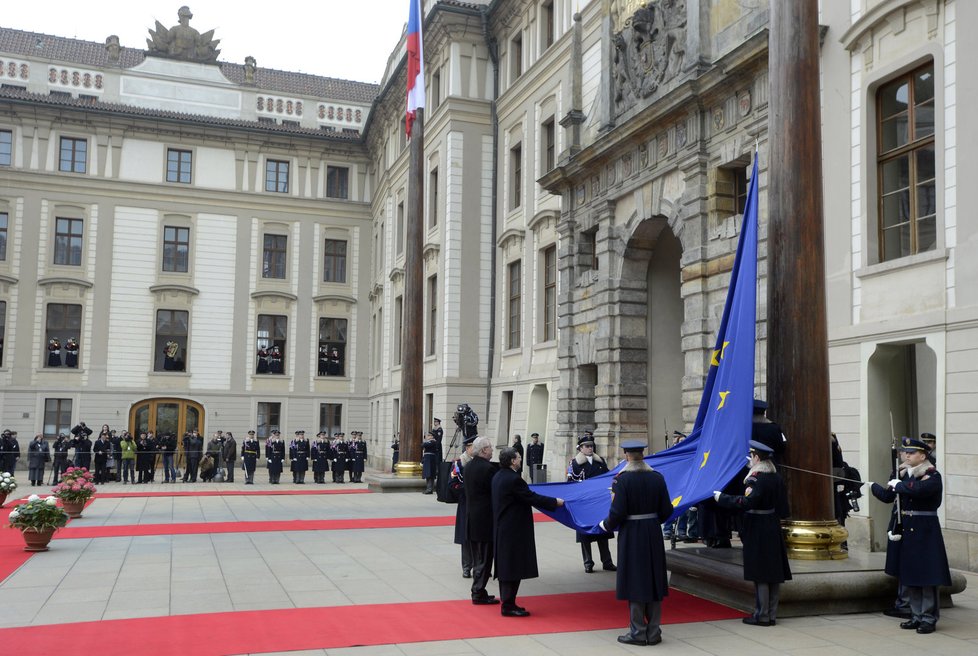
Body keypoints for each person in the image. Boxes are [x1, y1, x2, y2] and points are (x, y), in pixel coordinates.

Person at [871, 437, 951, 634]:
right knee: (911, 573)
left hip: (925, 529)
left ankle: (928, 618)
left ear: (922, 456)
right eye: (905, 452)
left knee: (927, 575)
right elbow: (889, 496)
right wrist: (874, 486)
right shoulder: (904, 476)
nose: (906, 455)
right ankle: (915, 615)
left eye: (911, 453)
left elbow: (922, 491)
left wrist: (899, 484)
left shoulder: (932, 475)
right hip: (907, 528)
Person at [598, 439, 673, 646]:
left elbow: (617, 512)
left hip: (632, 534)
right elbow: (667, 510)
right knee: (654, 579)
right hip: (652, 532)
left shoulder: (622, 480)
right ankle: (654, 631)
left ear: (626, 456)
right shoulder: (657, 478)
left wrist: (606, 524)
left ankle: (638, 632)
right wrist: (651, 521)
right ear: (642, 455)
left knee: (635, 579)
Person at [714, 440, 792, 627]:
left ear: (757, 457)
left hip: (758, 526)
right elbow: (783, 507)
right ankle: (771, 614)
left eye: (752, 456)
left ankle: (761, 614)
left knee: (761, 572)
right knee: (773, 573)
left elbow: (747, 502)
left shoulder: (756, 478)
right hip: (772, 524)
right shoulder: (776, 477)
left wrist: (722, 498)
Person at [491, 447, 563, 617]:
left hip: (503, 527)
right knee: (512, 567)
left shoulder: (498, 476)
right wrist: (555, 502)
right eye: (518, 457)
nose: (520, 459)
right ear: (512, 461)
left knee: (507, 566)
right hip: (512, 529)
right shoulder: (513, 479)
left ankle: (508, 602)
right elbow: (531, 497)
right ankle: (508, 605)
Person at [568, 435, 616, 573]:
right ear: (581, 448)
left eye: (591, 446)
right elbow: (571, 483)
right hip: (584, 503)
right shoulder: (575, 463)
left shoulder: (600, 461)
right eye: (587, 446)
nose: (590, 448)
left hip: (598, 502)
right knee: (585, 534)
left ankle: (607, 562)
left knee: (603, 531)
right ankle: (588, 562)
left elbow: (608, 478)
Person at [464, 436, 500, 605]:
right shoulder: (488, 468)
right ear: (484, 450)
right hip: (485, 519)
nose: (492, 450)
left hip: (473, 518)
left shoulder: (469, 466)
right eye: (490, 447)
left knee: (479, 557)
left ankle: (479, 590)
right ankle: (478, 592)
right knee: (484, 559)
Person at [450, 435, 477, 578]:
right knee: (466, 537)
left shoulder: (482, 463)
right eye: (474, 446)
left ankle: (480, 565)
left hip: (480, 505)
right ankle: (467, 567)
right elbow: (453, 484)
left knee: (479, 536)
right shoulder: (459, 464)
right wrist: (468, 490)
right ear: (468, 448)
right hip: (465, 504)